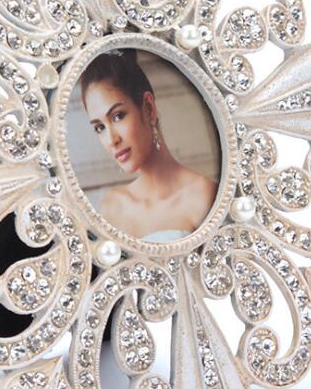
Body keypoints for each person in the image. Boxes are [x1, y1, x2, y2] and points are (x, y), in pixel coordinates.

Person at [80, 49, 218, 243]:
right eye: (99, 127)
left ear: (149, 108)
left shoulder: (203, 196)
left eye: (118, 116)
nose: (111, 140)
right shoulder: (112, 208)